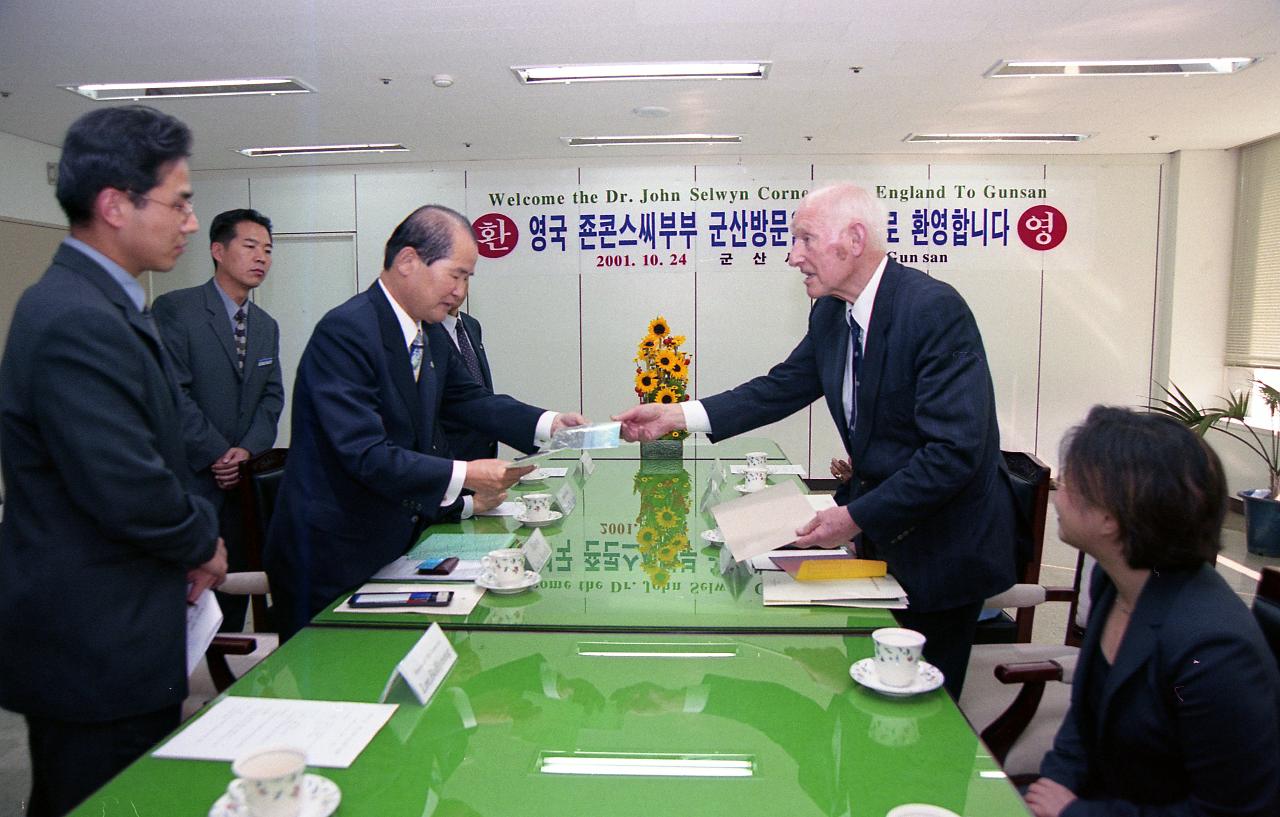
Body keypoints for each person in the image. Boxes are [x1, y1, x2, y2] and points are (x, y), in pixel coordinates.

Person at [614, 182, 1017, 698]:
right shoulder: (832, 311)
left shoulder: (932, 310)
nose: (792, 256)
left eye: (804, 239)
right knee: (863, 686)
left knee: (920, 706)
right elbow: (782, 386)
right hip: (878, 536)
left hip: (941, 547)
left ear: (853, 239)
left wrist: (853, 516)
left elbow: (952, 453)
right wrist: (677, 416)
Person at [0, 105, 225, 817]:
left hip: (122, 631)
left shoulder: (109, 305)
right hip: (91, 647)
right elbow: (128, 485)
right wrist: (203, 538)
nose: (191, 222)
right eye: (180, 202)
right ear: (113, 205)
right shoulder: (75, 317)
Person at [264, 204, 585, 638]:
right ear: (408, 261)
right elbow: (363, 453)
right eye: (456, 274)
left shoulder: (427, 333)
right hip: (331, 550)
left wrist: (549, 424)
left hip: (391, 543)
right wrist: (466, 473)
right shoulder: (346, 332)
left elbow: (470, 400)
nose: (461, 291)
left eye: (468, 278)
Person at [1026, 406, 1280, 817]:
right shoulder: (1115, 582)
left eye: (1070, 482)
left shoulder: (1214, 652)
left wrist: (1075, 813)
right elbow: (1085, 719)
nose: (1060, 491)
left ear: (1110, 518)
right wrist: (1056, 781)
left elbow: (1231, 813)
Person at [153, 208, 284, 630]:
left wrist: (245, 452)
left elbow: (271, 396)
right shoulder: (177, 309)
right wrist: (217, 453)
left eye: (267, 250)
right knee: (188, 609)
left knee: (233, 604)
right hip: (194, 482)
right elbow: (173, 393)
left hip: (243, 489)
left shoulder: (266, 325)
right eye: (250, 247)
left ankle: (227, 688)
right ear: (217, 250)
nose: (261, 257)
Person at [439, 278, 498, 461]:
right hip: (448, 459)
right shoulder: (423, 332)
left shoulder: (471, 325)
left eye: (464, 278)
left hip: (484, 450)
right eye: (451, 278)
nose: (457, 289)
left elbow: (479, 391)